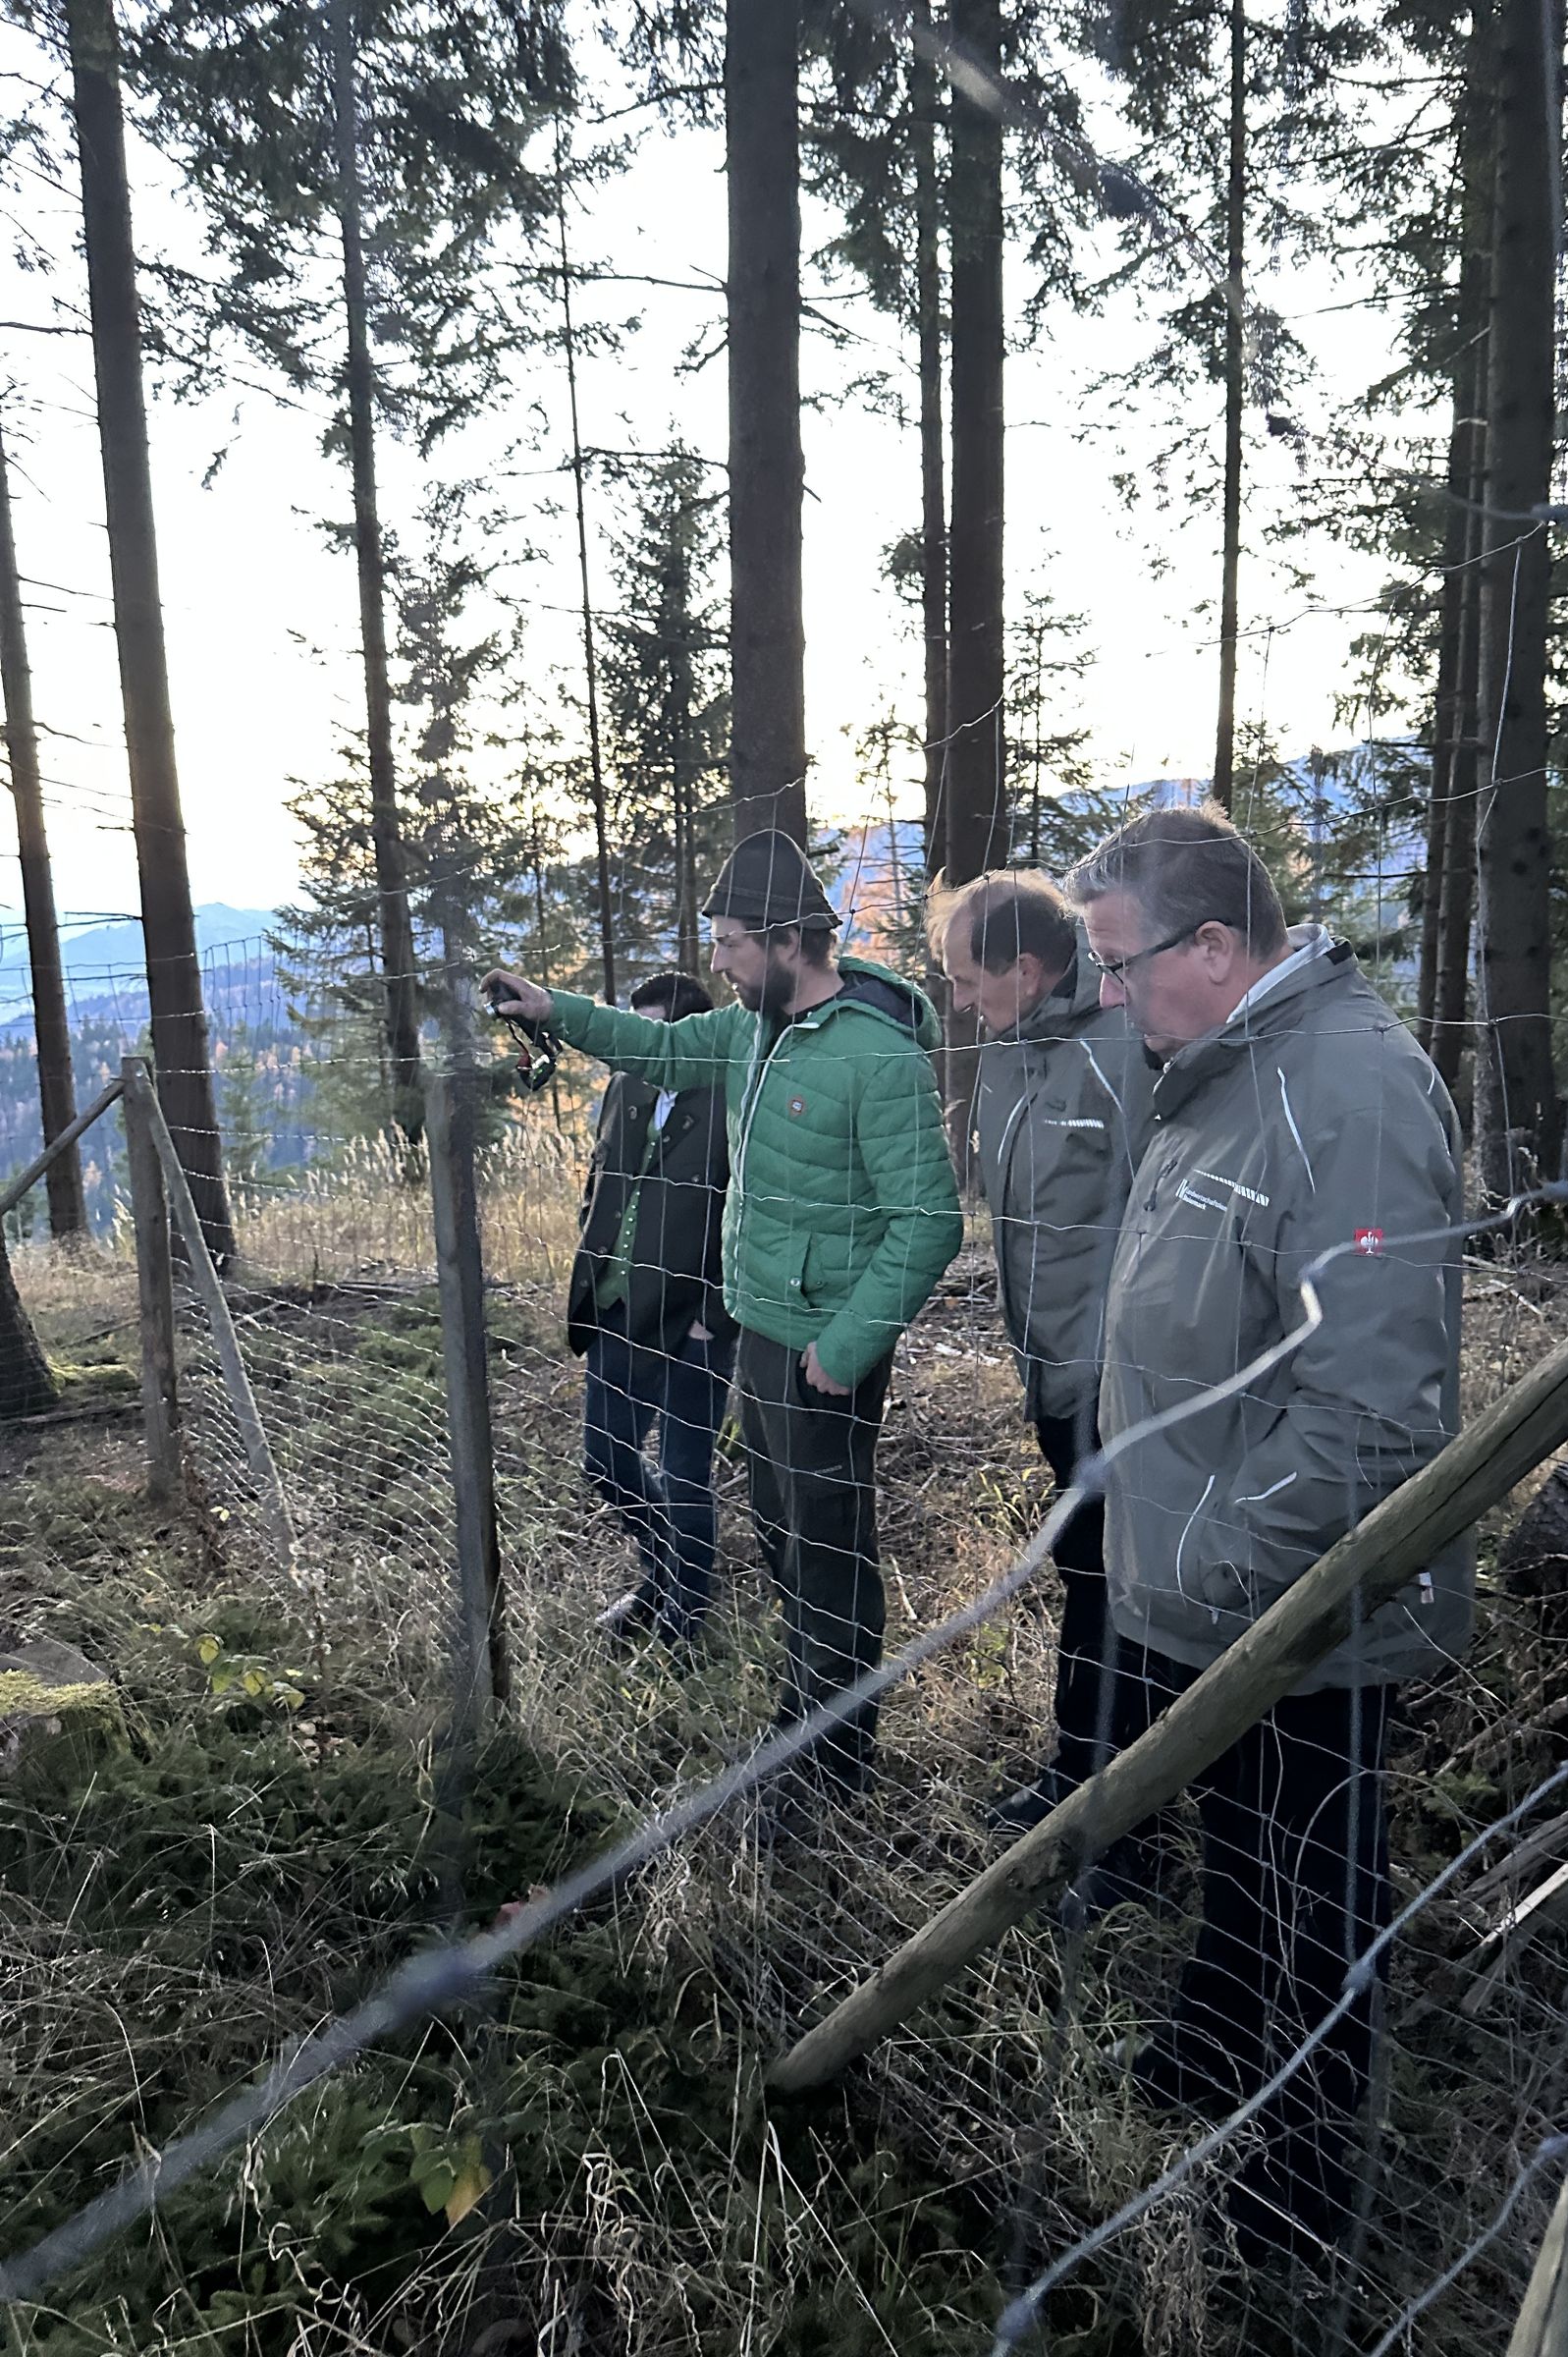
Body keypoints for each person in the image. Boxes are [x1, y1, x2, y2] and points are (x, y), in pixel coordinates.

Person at [1064, 802, 1470, 2264]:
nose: (1107, 992)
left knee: (1315, 1889)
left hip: (1298, 1604)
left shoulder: (1347, 1097)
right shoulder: (1222, 1072)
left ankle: (1294, 2208)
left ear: (1216, 946)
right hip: (1214, 1582)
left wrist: (1213, 1563)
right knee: (1243, 1852)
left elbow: (1373, 1416)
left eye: (1120, 962)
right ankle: (1217, 2040)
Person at [485, 829, 963, 1820]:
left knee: (828, 1553)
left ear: (789, 941)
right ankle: (804, 1723)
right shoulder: (754, 1030)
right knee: (786, 1542)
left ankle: (833, 1767)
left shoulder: (876, 1056)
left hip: (824, 1352)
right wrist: (553, 1010)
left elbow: (928, 1223)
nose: (719, 960)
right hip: (762, 1335)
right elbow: (659, 1048)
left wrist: (847, 1347)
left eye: (732, 942)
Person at [928, 867, 1155, 1829]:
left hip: (1124, 1384)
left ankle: (1103, 1803)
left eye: (967, 981)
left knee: (1114, 1588)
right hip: (1052, 1371)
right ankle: (1095, 1777)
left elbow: (1166, 1219)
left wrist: (1121, 1368)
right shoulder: (1010, 1050)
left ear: (1025, 969)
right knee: (1086, 1574)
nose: (958, 1003)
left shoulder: (1128, 1047)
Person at [567, 967, 734, 1647]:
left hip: (694, 1321)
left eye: (655, 1034)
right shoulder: (626, 1084)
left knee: (687, 1475)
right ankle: (662, 1574)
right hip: (617, 1307)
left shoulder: (731, 1095)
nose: (642, 1047)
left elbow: (749, 1211)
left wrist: (713, 1316)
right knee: (606, 1459)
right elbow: (600, 1177)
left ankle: (684, 1622)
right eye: (635, 1033)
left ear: (690, 1035)